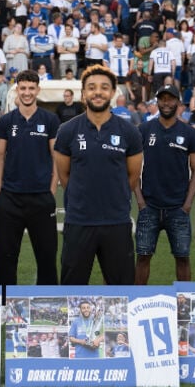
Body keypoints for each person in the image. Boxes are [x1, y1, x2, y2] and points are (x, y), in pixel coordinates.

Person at [55, 65, 143, 285]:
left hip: (117, 221)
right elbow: (65, 176)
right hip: (79, 221)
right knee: (72, 291)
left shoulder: (129, 131)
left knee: (121, 293)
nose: (98, 92)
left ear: (113, 92)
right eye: (91, 87)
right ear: (83, 93)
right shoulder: (67, 131)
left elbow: (132, 176)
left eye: (104, 87)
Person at [0, 69, 60, 287]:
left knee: (47, 258)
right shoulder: (6, 121)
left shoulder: (50, 120)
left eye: (31, 88)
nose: (27, 92)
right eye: (23, 88)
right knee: (6, 258)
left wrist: (51, 191)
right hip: (10, 199)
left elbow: (56, 158)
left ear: (38, 90)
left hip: (41, 198)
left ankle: (48, 306)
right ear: (17, 91)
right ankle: (4, 306)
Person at [134, 84, 195, 283]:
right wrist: (140, 201)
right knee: (143, 256)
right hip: (149, 207)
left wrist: (188, 204)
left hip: (178, 208)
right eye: (162, 98)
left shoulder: (189, 132)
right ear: (157, 101)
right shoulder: (144, 129)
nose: (166, 103)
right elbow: (131, 165)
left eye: (170, 99)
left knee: (182, 258)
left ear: (178, 102)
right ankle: (138, 298)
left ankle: (184, 304)